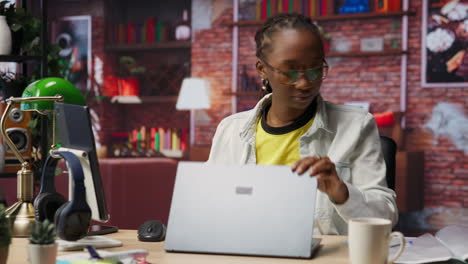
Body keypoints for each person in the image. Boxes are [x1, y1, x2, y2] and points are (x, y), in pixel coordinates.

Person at [207, 13, 398, 235]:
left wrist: (342, 193)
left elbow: (387, 216)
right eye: (290, 71)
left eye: (315, 69)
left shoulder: (357, 126)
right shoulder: (231, 130)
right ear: (262, 69)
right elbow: (209, 204)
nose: (305, 83)